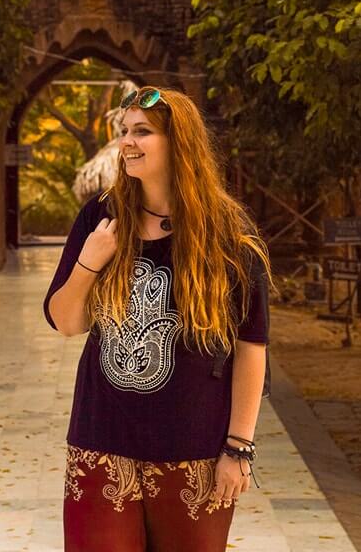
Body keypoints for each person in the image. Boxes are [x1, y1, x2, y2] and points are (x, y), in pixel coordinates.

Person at [44, 86, 272, 552]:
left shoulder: (228, 233)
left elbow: (252, 345)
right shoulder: (102, 218)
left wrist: (238, 447)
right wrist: (90, 261)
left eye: (142, 132)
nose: (127, 141)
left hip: (195, 450)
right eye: (124, 131)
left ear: (179, 142)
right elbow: (65, 321)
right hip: (101, 441)